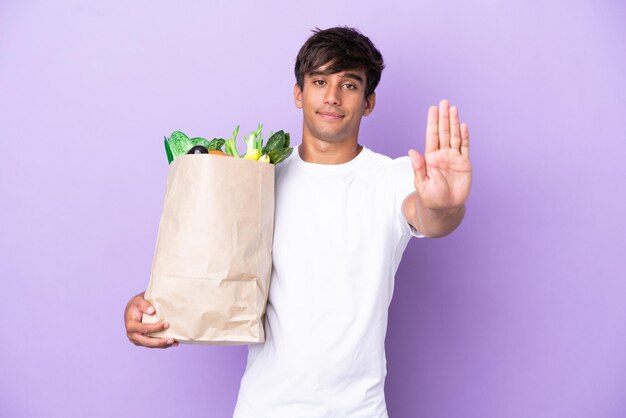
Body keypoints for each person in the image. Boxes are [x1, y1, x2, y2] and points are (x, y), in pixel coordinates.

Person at [125, 26, 472, 417]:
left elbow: (429, 217)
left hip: (357, 410)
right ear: (298, 93)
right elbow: (212, 266)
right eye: (319, 80)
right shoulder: (257, 176)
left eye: (350, 85)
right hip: (264, 407)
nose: (332, 96)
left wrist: (445, 206)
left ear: (369, 102)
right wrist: (150, 308)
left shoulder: (391, 179)